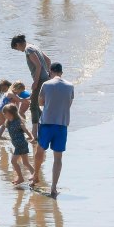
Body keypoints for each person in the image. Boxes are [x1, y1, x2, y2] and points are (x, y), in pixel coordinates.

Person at [34, 62, 73, 197]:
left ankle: (35, 175)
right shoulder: (70, 86)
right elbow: (69, 103)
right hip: (62, 124)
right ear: (61, 72)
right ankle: (54, 187)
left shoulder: (46, 84)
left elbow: (40, 102)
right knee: (58, 157)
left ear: (50, 72)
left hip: (47, 123)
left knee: (40, 149)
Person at [10, 34, 51, 138]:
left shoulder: (28, 50)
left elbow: (38, 65)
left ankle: (34, 135)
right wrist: (49, 75)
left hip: (41, 80)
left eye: (16, 48)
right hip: (45, 78)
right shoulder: (34, 46)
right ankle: (45, 128)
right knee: (37, 106)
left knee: (33, 106)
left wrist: (36, 82)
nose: (18, 50)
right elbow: (48, 60)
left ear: (18, 44)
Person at [2, 103, 35, 185]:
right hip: (20, 144)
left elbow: (26, 130)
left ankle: (20, 177)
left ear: (10, 113)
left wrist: (32, 137)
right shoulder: (8, 121)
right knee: (26, 163)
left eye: (5, 113)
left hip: (20, 144)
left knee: (13, 161)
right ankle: (35, 175)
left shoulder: (18, 121)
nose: (4, 115)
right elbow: (4, 127)